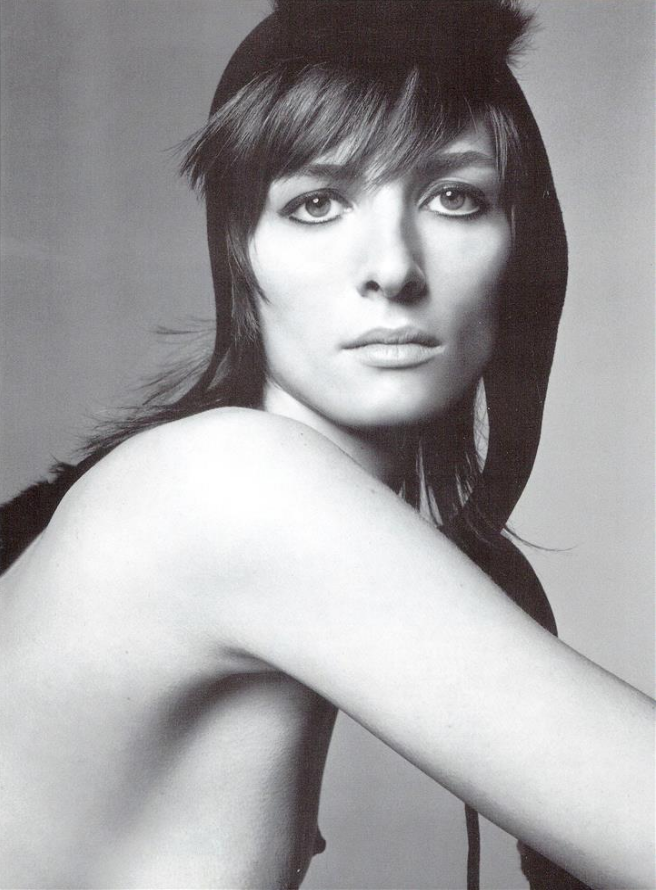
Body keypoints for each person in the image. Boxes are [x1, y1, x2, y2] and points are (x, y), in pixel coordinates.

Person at [0, 1, 653, 888]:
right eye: (317, 204)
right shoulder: (233, 486)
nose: (393, 267)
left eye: (454, 198)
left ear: (525, 246)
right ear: (241, 254)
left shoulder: (193, 481)